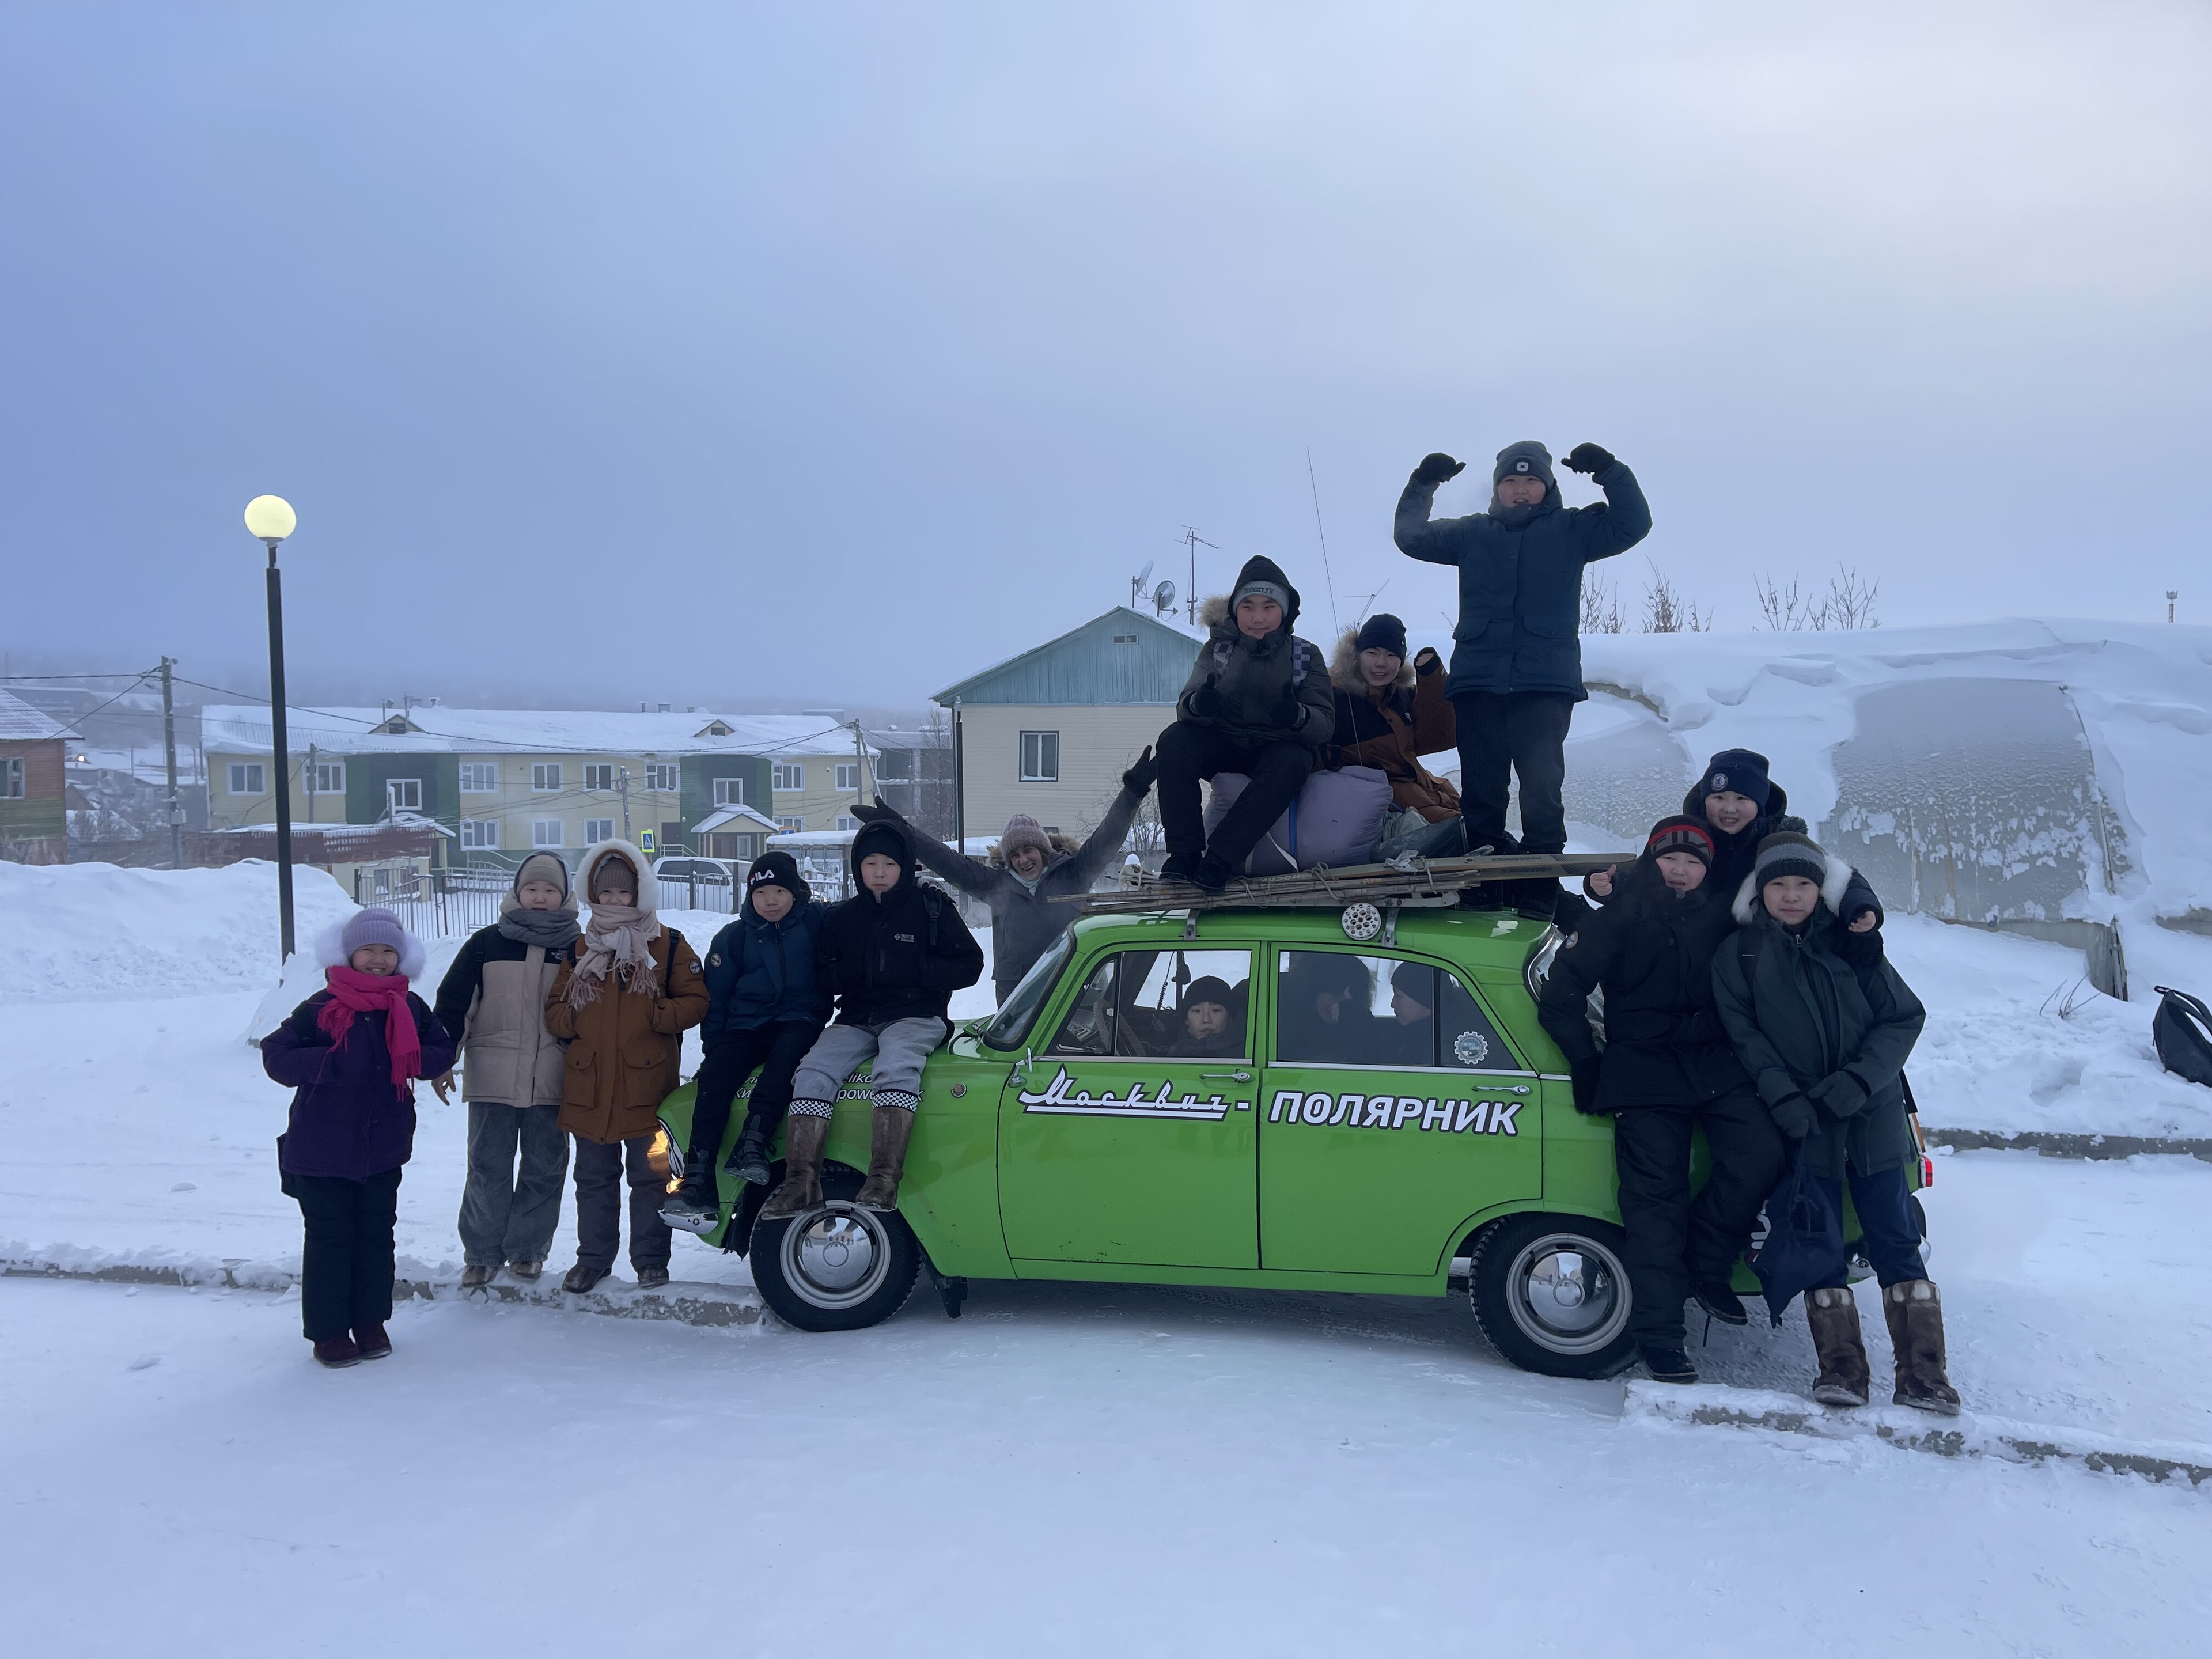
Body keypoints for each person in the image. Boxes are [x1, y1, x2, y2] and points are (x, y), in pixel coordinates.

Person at [1711, 830, 1959, 1415]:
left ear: (1820, 890)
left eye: (1803, 884)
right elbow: (1743, 1037)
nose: (1792, 895)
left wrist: (1858, 1081)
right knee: (1818, 1243)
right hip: (1804, 1124)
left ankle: (1925, 1376)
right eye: (1780, 885)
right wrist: (1783, 1097)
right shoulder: (1739, 956)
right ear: (1762, 890)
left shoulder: (1852, 946)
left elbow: (1903, 1018)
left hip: (1871, 1120)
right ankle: (1842, 1371)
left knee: (1896, 1242)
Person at [1536, 816, 1784, 1385]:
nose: (1681, 870)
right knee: (1654, 1204)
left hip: (1716, 1067)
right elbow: (1562, 995)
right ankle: (1661, 1339)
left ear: (1707, 870)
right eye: (1670, 859)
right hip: (1643, 1073)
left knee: (1760, 1155)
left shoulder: (1724, 916)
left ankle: (1707, 1260)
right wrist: (1589, 1065)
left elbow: (1791, 916)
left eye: (1693, 862)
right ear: (1650, 861)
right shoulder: (1619, 918)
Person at [1394, 440, 1652, 917]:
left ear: (1547, 485)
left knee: (1541, 788)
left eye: (1530, 480)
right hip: (1478, 683)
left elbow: (1633, 524)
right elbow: (1412, 537)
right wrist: (1423, 484)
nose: (1520, 490)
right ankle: (1485, 882)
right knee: (1483, 792)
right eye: (1510, 482)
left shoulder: (1573, 530)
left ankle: (1539, 883)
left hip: (1544, 684)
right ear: (1496, 489)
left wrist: (1610, 471)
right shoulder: (1473, 534)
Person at [262, 907, 455, 1368]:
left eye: (388, 951)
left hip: (383, 1147)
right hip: (321, 1148)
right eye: (369, 949)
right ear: (349, 953)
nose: (378, 959)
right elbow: (276, 1054)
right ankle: (328, 1332)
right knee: (331, 1237)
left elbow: (441, 1047)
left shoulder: (407, 1006)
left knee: (375, 1235)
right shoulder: (321, 1006)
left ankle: (371, 1322)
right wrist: (324, 1064)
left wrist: (417, 1062)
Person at [762, 820, 984, 1218]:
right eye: (870, 864)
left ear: (905, 867)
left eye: (889, 864)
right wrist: (851, 972)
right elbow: (823, 976)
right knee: (813, 1071)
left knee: (896, 1066)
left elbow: (971, 965)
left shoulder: (932, 908)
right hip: (858, 1017)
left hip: (916, 1015)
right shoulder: (842, 918)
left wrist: (918, 970)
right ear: (858, 868)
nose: (879, 873)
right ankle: (800, 1182)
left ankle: (883, 1179)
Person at [852, 746, 1154, 1003]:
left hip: (1074, 984)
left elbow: (1108, 837)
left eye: (1029, 851)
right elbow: (945, 860)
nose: (1023, 860)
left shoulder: (1074, 872)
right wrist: (902, 830)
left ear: (1043, 849)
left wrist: (1133, 791)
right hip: (1018, 994)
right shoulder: (995, 884)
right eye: (1015, 855)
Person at [544, 840, 709, 1294]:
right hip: (590, 1086)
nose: (615, 901)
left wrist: (659, 1017)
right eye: (607, 893)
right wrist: (576, 1015)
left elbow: (697, 1000)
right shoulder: (581, 948)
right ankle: (593, 1261)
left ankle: (651, 1261)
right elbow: (555, 1010)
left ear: (641, 893)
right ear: (593, 894)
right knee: (593, 1180)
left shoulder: (668, 943)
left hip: (647, 1086)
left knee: (651, 1178)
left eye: (624, 893)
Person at [431, 851, 581, 1290]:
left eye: (550, 890)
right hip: (493, 1078)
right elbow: (456, 1006)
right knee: (487, 1166)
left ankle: (528, 1251)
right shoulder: (486, 943)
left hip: (554, 1080)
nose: (539, 897)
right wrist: (444, 1059)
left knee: (544, 1169)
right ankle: (481, 1254)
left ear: (564, 896)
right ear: (517, 892)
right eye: (532, 889)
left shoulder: (578, 947)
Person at [660, 851, 831, 1233]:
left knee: (788, 1059)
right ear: (750, 896)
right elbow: (716, 998)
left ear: (795, 892)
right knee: (716, 1079)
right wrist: (714, 1047)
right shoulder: (733, 938)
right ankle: (697, 1178)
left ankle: (753, 1141)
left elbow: (860, 915)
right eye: (762, 892)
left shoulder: (816, 923)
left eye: (779, 891)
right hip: (744, 1024)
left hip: (797, 1019)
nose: (771, 900)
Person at [1156, 555, 1335, 892]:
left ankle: (1220, 860)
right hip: (1224, 742)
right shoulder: (1219, 649)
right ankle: (1184, 855)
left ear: (1284, 610)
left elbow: (1324, 724)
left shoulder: (1305, 655)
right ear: (1235, 609)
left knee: (1295, 760)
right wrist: (1201, 705)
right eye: (1248, 606)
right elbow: (1187, 706)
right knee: (1175, 740)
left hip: (1275, 748)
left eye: (1269, 607)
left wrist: (1298, 717)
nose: (1257, 618)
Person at [1579, 748, 1883, 934]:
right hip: (1693, 938)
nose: (1729, 808)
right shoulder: (1691, 835)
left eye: (1742, 798)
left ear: (1760, 804)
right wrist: (1610, 885)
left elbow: (1837, 875)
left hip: (1756, 944)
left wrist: (1860, 906)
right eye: (1719, 797)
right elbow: (1647, 867)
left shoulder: (1779, 841)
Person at [1322, 612, 1464, 861]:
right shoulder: (1333, 697)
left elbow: (1442, 738)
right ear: (1357, 655)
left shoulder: (1401, 696)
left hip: (1422, 790)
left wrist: (1432, 678)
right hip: (1381, 802)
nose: (1381, 664)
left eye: (1391, 655)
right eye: (1373, 653)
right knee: (1465, 829)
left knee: (1478, 821)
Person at [1169, 975, 1245, 1059]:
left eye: (1216, 1011)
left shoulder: (1243, 1055)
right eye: (1197, 1011)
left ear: (1230, 1017)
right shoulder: (1170, 1055)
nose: (1206, 1019)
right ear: (1186, 1019)